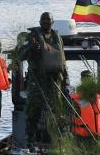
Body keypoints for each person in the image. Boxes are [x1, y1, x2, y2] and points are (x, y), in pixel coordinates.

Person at [18, 12, 69, 146]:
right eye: (44, 20)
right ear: (40, 22)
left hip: (55, 81)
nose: (46, 22)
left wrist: (66, 80)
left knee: (57, 111)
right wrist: (31, 48)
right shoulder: (32, 37)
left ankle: (58, 141)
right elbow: (20, 55)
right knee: (33, 111)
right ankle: (30, 142)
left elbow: (63, 61)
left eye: (48, 20)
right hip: (37, 81)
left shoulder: (57, 38)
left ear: (52, 22)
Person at [70, 70, 100, 139]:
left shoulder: (99, 100)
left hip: (98, 136)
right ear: (82, 80)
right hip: (81, 136)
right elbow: (72, 117)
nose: (88, 81)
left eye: (89, 78)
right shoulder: (76, 100)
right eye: (85, 78)